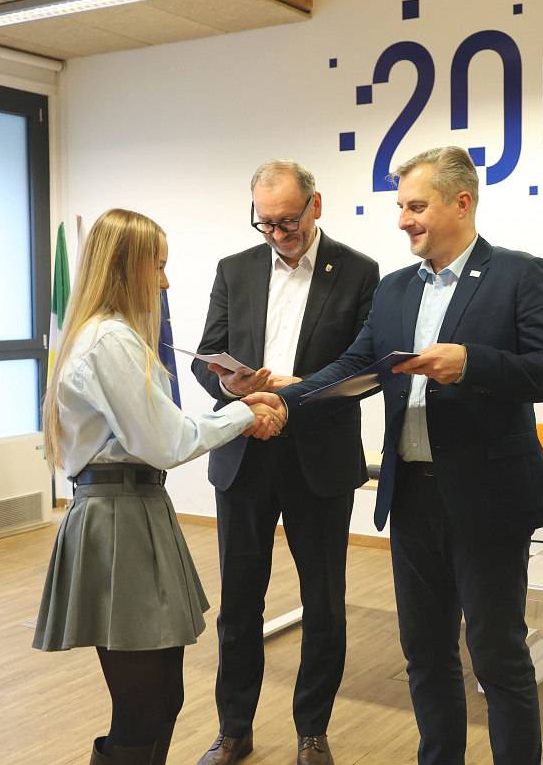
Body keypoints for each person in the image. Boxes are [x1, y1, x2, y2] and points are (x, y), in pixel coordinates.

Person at [251, 146, 543, 765]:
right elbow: (357, 366)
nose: (403, 219)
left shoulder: (519, 274)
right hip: (412, 499)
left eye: (416, 206)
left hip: (487, 502)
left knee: (497, 657)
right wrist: (287, 399)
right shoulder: (396, 289)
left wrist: (472, 363)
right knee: (425, 654)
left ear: (462, 202)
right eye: (401, 206)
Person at [33, 208, 282, 765]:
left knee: (164, 697)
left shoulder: (113, 337)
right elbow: (166, 441)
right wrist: (244, 411)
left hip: (135, 509)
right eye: (159, 266)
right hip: (117, 517)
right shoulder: (109, 340)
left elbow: (160, 433)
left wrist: (236, 406)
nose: (165, 283)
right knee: (142, 706)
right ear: (126, 266)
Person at [191, 160, 379, 765]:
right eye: (265, 223)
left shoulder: (358, 271)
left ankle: (312, 732)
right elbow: (204, 357)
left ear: (315, 206)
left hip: (318, 456)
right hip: (244, 451)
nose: (277, 234)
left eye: (288, 222)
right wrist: (232, 385)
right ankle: (234, 730)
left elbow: (366, 367)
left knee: (323, 602)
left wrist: (297, 392)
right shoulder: (234, 269)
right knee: (239, 604)